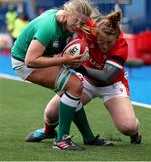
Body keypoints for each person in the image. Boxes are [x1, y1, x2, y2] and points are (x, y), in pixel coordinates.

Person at [25, 10, 141, 145]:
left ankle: (135, 134)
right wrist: (62, 13)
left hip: (112, 85)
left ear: (116, 39)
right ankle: (48, 131)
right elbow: (77, 10)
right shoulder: (89, 29)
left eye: (109, 42)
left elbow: (105, 76)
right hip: (86, 81)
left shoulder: (121, 46)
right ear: (96, 33)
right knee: (51, 113)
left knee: (128, 127)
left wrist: (79, 68)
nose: (104, 45)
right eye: (101, 40)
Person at [11, 0, 112, 151]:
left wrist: (67, 59)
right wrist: (64, 59)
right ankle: (61, 141)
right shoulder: (49, 27)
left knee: (74, 88)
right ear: (67, 12)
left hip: (39, 59)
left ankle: (87, 137)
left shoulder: (67, 21)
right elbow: (30, 60)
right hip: (23, 63)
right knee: (75, 85)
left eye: (82, 23)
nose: (78, 25)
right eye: (76, 21)